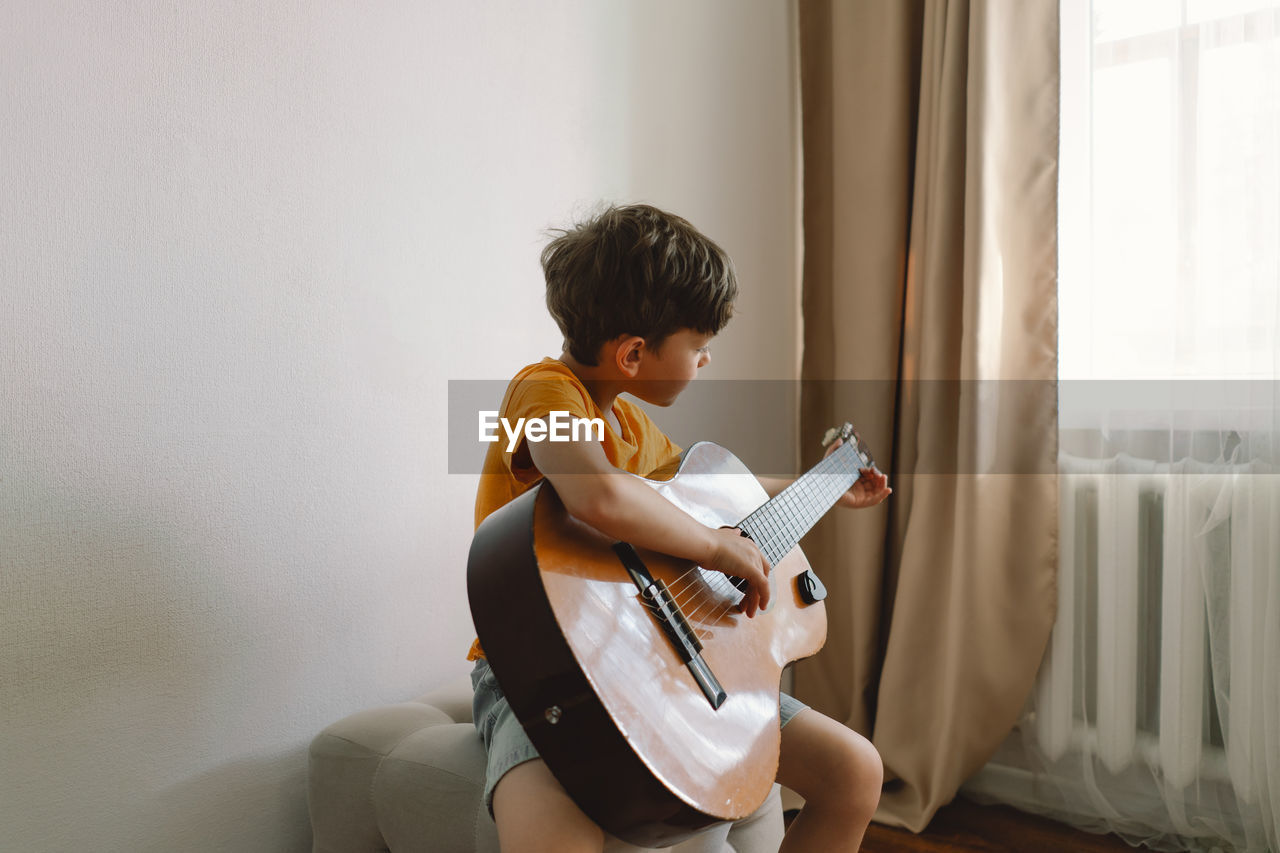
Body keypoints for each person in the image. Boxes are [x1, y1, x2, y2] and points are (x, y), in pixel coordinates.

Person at [467, 203, 891, 853]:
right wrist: (719, 547)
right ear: (634, 354)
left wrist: (827, 481)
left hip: (660, 669)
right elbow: (598, 494)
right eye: (698, 345)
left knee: (855, 770)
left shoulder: (636, 430)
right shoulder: (542, 394)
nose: (706, 358)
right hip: (540, 674)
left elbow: (722, 497)